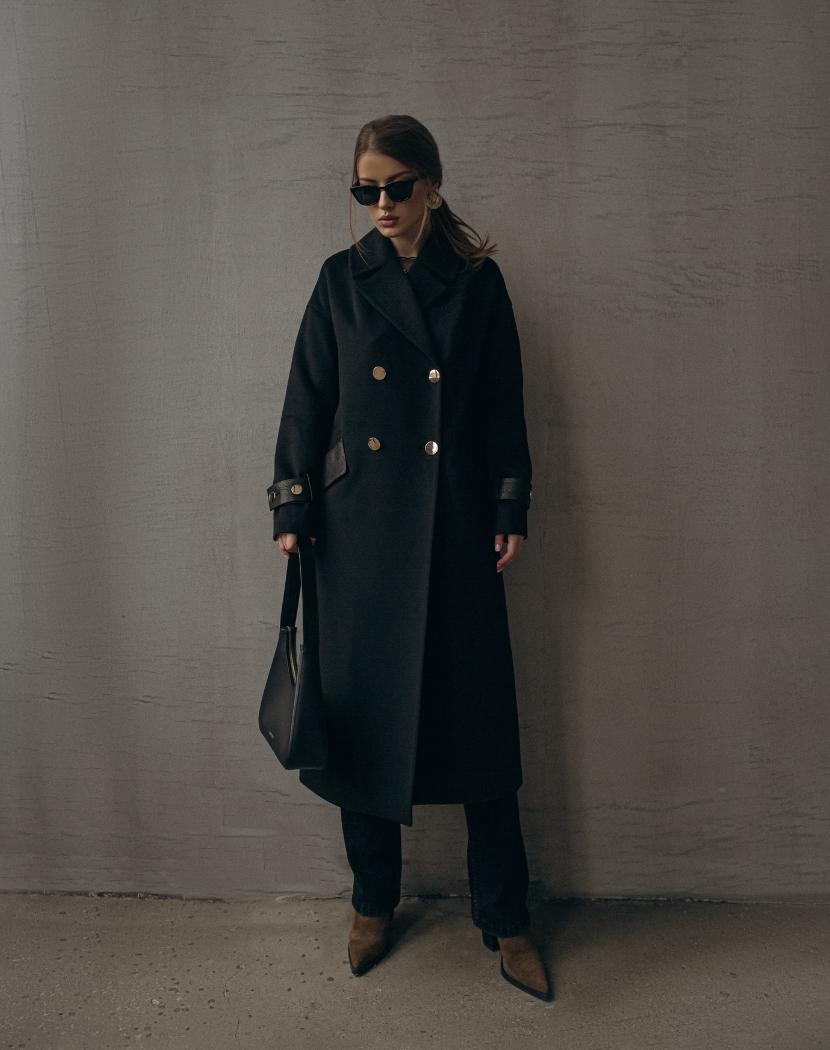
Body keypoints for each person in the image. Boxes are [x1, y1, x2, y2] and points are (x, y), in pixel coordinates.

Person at [268, 115, 551, 1002]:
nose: (381, 205)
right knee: (364, 726)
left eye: (396, 187)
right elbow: (307, 398)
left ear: (431, 183)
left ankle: (506, 916)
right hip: (358, 536)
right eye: (366, 190)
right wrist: (291, 504)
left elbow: (503, 404)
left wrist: (509, 505)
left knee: (480, 732)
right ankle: (372, 903)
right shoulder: (340, 280)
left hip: (456, 526)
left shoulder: (477, 283)